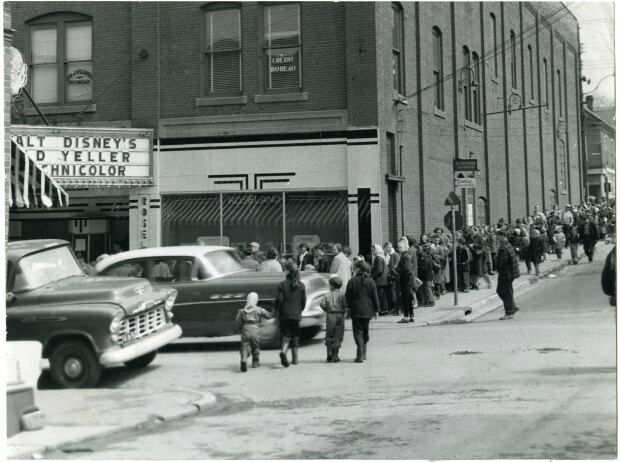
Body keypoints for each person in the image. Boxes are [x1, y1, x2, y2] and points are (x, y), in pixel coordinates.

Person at [345, 261, 380, 363]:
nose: (353, 269)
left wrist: (348, 307)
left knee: (358, 332)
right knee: (365, 331)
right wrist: (377, 310)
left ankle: (360, 353)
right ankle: (364, 353)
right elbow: (375, 297)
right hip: (368, 311)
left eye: (354, 268)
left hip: (356, 310)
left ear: (358, 269)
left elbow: (348, 296)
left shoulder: (352, 281)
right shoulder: (371, 281)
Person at [275, 263, 306, 367]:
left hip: (284, 314)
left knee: (285, 334)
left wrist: (276, 309)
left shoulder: (282, 284)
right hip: (296, 314)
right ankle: (295, 359)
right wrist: (300, 309)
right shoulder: (301, 285)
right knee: (296, 335)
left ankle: (283, 351)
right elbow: (303, 301)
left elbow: (279, 300)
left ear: (288, 271)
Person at [235, 292, 272, 372]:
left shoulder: (242, 311)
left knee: (245, 347)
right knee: (255, 347)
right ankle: (255, 362)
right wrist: (265, 311)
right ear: (256, 300)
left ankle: (244, 359)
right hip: (255, 330)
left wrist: (240, 330)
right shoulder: (258, 309)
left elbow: (238, 322)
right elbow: (268, 316)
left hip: (245, 330)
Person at [495, 230, 521, 320]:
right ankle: (513, 306)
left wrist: (496, 261)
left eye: (498, 236)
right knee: (505, 291)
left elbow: (501, 261)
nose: (497, 238)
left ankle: (509, 313)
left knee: (505, 292)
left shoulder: (503, 247)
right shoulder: (508, 244)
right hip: (511, 272)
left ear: (502, 236)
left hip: (506, 273)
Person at [320, 276, 346, 362]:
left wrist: (327, 309)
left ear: (332, 286)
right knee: (338, 335)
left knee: (329, 334)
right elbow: (346, 304)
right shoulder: (342, 295)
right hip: (340, 316)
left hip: (330, 316)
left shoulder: (326, 295)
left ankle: (329, 353)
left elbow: (322, 304)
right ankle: (336, 355)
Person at [395, 238, 415, 323]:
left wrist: (397, 269)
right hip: (407, 279)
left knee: (405, 298)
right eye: (398, 247)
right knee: (408, 298)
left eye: (400, 247)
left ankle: (406, 316)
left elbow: (406, 268)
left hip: (405, 279)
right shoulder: (405, 255)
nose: (398, 249)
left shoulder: (405, 256)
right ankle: (411, 316)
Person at [370, 244, 389, 315]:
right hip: (383, 280)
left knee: (379, 296)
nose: (372, 252)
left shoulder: (378, 258)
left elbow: (379, 270)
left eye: (373, 250)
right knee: (383, 296)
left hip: (380, 280)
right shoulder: (381, 257)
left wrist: (372, 276)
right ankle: (384, 310)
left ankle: (379, 310)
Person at [384, 241, 401, 316]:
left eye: (390, 247)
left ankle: (396, 308)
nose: (389, 248)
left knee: (394, 292)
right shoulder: (386, 255)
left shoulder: (395, 255)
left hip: (394, 276)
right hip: (389, 276)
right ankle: (393, 307)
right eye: (388, 247)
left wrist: (392, 273)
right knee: (390, 293)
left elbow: (395, 266)